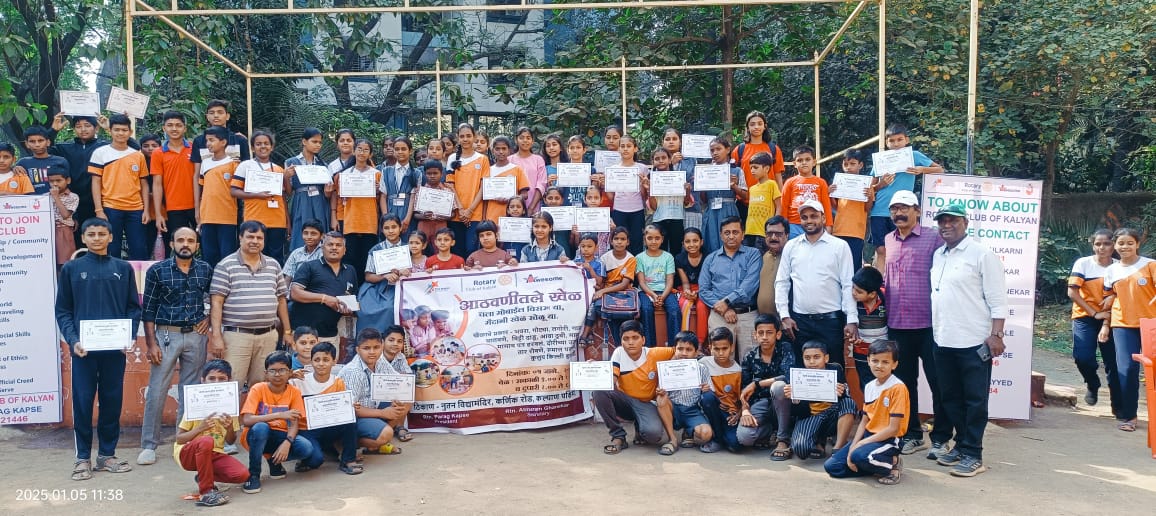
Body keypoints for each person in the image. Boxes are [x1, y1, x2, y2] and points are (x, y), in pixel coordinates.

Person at [55, 218, 141, 481]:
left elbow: (133, 308)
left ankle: (106, 455)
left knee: (112, 401)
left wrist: (128, 335)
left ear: (111, 237)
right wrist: (73, 340)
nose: (96, 238)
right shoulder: (72, 269)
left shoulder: (123, 268)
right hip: (83, 351)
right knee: (82, 402)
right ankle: (83, 458)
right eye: (91, 234)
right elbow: (63, 310)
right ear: (83, 238)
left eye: (101, 234)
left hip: (114, 351)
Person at [929, 201, 1007, 477]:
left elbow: (998, 299)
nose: (946, 225)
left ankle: (974, 454)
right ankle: (961, 445)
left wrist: (996, 335)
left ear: (965, 223)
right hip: (942, 339)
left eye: (953, 220)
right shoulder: (939, 254)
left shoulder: (982, 254)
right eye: (942, 221)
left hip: (974, 341)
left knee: (975, 401)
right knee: (950, 398)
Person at [138, 226, 214, 466]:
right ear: (171, 244)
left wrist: (208, 318)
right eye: (180, 240)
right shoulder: (158, 270)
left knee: (190, 391)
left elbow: (215, 298)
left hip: (196, 336)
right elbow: (148, 309)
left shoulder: (205, 269)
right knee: (157, 389)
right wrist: (151, 344)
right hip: (165, 335)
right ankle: (149, 445)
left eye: (190, 241)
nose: (185, 244)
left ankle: (184, 442)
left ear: (197, 246)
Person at [882, 189, 950, 455]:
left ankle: (941, 438)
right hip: (897, 324)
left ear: (917, 211)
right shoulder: (889, 239)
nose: (898, 213)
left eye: (904, 208)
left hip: (930, 325)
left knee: (939, 382)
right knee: (905, 384)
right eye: (894, 209)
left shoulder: (933, 238)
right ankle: (912, 434)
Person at [209, 220, 293, 389]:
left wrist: (287, 331)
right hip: (237, 337)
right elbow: (216, 302)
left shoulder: (273, 265)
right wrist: (216, 336)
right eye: (250, 237)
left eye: (259, 238)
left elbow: (281, 299)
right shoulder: (225, 266)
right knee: (232, 385)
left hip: (268, 336)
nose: (255, 241)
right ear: (240, 238)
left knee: (262, 386)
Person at [775, 199, 858, 367]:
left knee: (834, 369)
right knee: (802, 371)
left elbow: (848, 284)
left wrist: (851, 319)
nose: (809, 221)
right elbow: (782, 282)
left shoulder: (839, 246)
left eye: (814, 216)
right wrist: (784, 315)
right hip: (799, 323)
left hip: (831, 322)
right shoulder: (791, 246)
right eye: (804, 217)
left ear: (823, 218)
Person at [823, 340, 907, 485]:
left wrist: (861, 444)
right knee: (832, 467)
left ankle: (893, 463)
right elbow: (864, 421)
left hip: (889, 439)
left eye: (885, 362)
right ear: (868, 361)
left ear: (894, 364)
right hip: (869, 435)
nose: (879, 365)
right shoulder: (869, 387)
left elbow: (893, 429)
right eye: (875, 361)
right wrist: (853, 447)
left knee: (859, 456)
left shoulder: (897, 388)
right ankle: (870, 463)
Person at [1100, 227, 1155, 433]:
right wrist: (1105, 326)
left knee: (1153, 371)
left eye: (1130, 243)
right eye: (1121, 243)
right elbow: (1108, 299)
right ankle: (1129, 416)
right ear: (1115, 245)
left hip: (1151, 324)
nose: (1125, 247)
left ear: (1137, 244)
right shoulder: (1111, 271)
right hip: (1122, 324)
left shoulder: (1150, 265)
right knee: (1127, 370)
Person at [593, 321, 677, 454]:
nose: (630, 342)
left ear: (643, 340)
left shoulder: (654, 353)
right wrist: (594, 370)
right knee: (599, 391)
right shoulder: (619, 353)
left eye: (635, 338)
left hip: (646, 403)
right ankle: (618, 436)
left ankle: (640, 428)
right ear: (621, 341)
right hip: (625, 402)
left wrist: (666, 374)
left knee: (653, 435)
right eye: (626, 339)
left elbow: (678, 351)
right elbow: (611, 380)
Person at [173, 360, 249, 507]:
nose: (216, 383)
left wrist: (229, 428)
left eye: (222, 379)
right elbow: (180, 439)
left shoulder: (230, 408)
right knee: (206, 440)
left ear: (229, 381)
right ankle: (206, 492)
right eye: (211, 378)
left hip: (214, 453)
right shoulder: (195, 405)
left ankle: (203, 477)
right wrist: (200, 429)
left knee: (242, 475)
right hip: (187, 453)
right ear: (203, 380)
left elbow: (231, 441)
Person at [869, 123, 944, 269]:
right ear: (886, 142)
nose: (896, 144)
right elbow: (869, 188)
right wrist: (881, 184)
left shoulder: (914, 156)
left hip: (903, 210)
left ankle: (900, 277)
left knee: (902, 247)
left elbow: (939, 170)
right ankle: (880, 281)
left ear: (907, 140)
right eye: (891, 141)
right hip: (880, 210)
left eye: (899, 139)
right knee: (881, 250)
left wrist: (921, 169)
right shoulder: (881, 159)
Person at [239, 350, 313, 494]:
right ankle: (253, 475)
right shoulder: (258, 389)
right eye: (272, 371)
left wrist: (287, 442)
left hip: (280, 435)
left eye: (282, 370)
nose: (277, 374)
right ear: (266, 373)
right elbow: (247, 420)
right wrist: (279, 415)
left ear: (290, 372)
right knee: (261, 427)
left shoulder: (294, 392)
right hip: (255, 436)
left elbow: (294, 424)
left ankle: (274, 462)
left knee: (306, 448)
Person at [289, 342, 363, 475]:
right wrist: (289, 375)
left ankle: (348, 460)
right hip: (307, 429)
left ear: (334, 361)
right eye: (317, 360)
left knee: (351, 416)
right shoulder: (299, 381)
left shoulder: (337, 382)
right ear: (311, 361)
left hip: (329, 426)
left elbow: (342, 407)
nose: (321, 364)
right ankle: (307, 457)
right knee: (315, 461)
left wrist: (350, 406)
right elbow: (275, 386)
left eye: (326, 360)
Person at [1067, 229, 1121, 412]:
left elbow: (1120, 297)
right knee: (1082, 358)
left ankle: (1118, 404)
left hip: (1112, 317)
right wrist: (1094, 313)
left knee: (1113, 362)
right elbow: (1072, 292)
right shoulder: (1083, 263)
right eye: (1098, 244)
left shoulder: (1119, 267)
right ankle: (1092, 382)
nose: (1102, 247)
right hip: (1085, 316)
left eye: (1106, 243)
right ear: (1092, 245)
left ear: (1113, 246)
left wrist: (1106, 319)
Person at [337, 327, 414, 454]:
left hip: (374, 407)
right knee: (386, 434)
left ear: (382, 346)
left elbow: (398, 382)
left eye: (376, 347)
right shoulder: (353, 372)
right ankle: (344, 443)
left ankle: (377, 442)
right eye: (366, 348)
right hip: (354, 418)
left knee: (406, 399)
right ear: (358, 350)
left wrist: (397, 400)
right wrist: (383, 413)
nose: (372, 352)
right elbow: (351, 409)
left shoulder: (380, 360)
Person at [89, 113, 151, 260]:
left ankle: (138, 275)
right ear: (110, 131)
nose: (120, 133)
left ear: (130, 132)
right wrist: (99, 210)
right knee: (112, 248)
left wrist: (146, 210)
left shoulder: (138, 155)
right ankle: (113, 274)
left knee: (139, 248)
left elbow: (144, 184)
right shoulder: (100, 153)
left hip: (136, 208)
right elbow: (96, 182)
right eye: (116, 130)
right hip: (110, 207)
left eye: (124, 130)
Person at [699, 216, 762, 358]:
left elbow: (749, 286)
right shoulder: (711, 259)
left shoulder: (753, 254)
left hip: (747, 315)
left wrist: (727, 302)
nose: (731, 236)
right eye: (727, 233)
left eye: (735, 232)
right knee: (721, 359)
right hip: (719, 316)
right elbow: (704, 290)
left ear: (743, 234)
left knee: (751, 359)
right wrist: (725, 309)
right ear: (721, 235)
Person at [737, 313, 796, 460]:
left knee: (778, 387)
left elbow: (789, 377)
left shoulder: (785, 348)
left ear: (778, 334)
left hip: (784, 403)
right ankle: (769, 430)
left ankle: (782, 440)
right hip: (761, 403)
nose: (764, 337)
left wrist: (757, 383)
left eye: (769, 333)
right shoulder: (749, 356)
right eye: (761, 333)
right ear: (755, 335)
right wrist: (745, 410)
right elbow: (744, 388)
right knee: (744, 437)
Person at [785, 341, 857, 461]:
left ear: (826, 358)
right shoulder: (798, 375)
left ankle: (838, 447)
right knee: (801, 449)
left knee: (849, 403)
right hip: (810, 415)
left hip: (832, 413)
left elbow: (846, 396)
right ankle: (818, 440)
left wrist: (842, 391)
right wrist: (795, 400)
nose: (812, 362)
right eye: (807, 358)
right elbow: (796, 413)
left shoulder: (835, 369)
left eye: (816, 357)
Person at [291, 231, 358, 354]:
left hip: (331, 335)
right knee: (302, 367)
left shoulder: (350, 270)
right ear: (322, 248)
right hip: (305, 337)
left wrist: (349, 309)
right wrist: (325, 299)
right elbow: (295, 293)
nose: (334, 248)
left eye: (338, 245)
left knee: (330, 366)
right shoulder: (309, 266)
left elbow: (352, 297)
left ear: (344, 250)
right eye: (330, 244)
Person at [48, 114, 111, 240]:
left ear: (96, 128)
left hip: (99, 201)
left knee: (98, 237)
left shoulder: (105, 147)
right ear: (74, 129)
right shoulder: (64, 148)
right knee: (76, 238)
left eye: (87, 125)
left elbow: (130, 147)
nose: (83, 129)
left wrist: (109, 129)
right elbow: (44, 148)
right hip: (72, 202)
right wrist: (53, 131)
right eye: (78, 126)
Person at [230, 130, 288, 263]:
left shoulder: (278, 169)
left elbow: (284, 196)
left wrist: (287, 221)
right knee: (254, 254)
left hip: (277, 220)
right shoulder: (245, 166)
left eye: (266, 143)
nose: (263, 146)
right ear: (252, 148)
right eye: (258, 144)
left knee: (276, 257)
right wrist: (257, 195)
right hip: (254, 219)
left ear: (272, 147)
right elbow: (234, 191)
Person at [655, 332, 713, 454]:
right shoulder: (666, 368)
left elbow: (709, 392)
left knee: (706, 434)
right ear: (674, 349)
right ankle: (672, 439)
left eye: (689, 349)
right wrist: (660, 391)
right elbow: (661, 390)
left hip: (692, 410)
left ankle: (688, 431)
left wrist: (706, 389)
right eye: (680, 349)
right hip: (673, 409)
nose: (684, 353)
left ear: (696, 352)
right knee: (661, 399)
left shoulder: (701, 368)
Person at [334, 139, 384, 277]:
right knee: (349, 259)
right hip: (351, 222)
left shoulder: (376, 174)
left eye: (366, 150)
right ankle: (351, 286)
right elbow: (340, 201)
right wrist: (339, 219)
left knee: (366, 260)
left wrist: (378, 191)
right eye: (359, 149)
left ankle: (365, 288)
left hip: (369, 222)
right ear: (354, 151)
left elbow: (380, 201)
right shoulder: (344, 175)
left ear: (370, 154)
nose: (362, 152)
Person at [149, 111, 197, 252]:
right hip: (174, 207)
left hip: (197, 207)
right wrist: (158, 214)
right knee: (180, 246)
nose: (174, 128)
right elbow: (157, 184)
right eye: (170, 125)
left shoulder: (194, 149)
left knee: (203, 243)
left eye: (178, 125)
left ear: (185, 128)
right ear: (164, 128)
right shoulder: (158, 153)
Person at [196, 126, 241, 267]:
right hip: (207, 216)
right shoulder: (205, 163)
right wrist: (199, 213)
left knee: (227, 255)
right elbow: (202, 189)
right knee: (209, 255)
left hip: (227, 217)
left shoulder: (234, 164)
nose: (208, 143)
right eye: (207, 140)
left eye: (212, 140)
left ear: (223, 142)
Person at [356, 214, 407, 331]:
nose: (391, 231)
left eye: (394, 227)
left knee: (390, 308)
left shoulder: (408, 248)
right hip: (378, 287)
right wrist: (385, 276)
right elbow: (368, 277)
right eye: (386, 228)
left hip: (401, 287)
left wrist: (408, 272)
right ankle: (371, 339)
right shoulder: (375, 249)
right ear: (382, 230)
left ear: (400, 228)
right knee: (365, 310)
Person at [698, 138, 747, 255]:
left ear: (728, 150)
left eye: (718, 149)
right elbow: (703, 200)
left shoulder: (736, 170)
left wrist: (734, 186)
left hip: (729, 209)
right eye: (712, 150)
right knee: (711, 241)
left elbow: (745, 195)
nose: (715, 153)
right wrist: (701, 184)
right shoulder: (706, 171)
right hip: (711, 210)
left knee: (731, 239)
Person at [446, 123, 490, 254]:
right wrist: (460, 209)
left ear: (474, 137)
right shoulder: (452, 158)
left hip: (475, 213)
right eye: (462, 136)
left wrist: (470, 210)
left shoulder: (483, 159)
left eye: (468, 136)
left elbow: (484, 186)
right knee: (457, 250)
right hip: (456, 214)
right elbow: (450, 185)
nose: (465, 139)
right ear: (457, 138)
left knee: (472, 249)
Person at [699, 328, 744, 453]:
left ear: (732, 348)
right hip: (710, 409)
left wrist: (738, 414)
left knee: (735, 445)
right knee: (707, 397)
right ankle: (717, 439)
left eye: (725, 348)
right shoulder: (703, 363)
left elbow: (743, 399)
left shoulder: (737, 371)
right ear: (710, 348)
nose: (720, 353)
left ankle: (722, 435)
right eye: (716, 349)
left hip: (729, 413)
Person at [285, 128, 330, 251]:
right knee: (301, 229)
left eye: (320, 142)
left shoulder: (323, 164)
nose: (318, 145)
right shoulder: (291, 162)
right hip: (301, 200)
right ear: (304, 142)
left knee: (320, 229)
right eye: (314, 141)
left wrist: (328, 190)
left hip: (319, 201)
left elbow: (327, 191)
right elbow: (288, 192)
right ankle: (300, 257)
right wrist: (286, 177)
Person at [830, 149, 873, 270]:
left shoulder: (866, 184)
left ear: (860, 165)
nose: (848, 167)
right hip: (839, 230)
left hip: (856, 232)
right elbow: (836, 207)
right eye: (845, 164)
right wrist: (830, 194)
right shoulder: (839, 182)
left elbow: (867, 208)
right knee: (838, 266)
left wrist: (870, 196)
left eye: (852, 164)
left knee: (854, 265)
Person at [636, 224, 678, 347]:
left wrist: (662, 297)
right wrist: (654, 296)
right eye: (650, 238)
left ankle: (675, 347)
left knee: (674, 310)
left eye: (657, 238)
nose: (653, 241)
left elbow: (670, 281)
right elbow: (641, 282)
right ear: (644, 239)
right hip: (646, 291)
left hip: (665, 291)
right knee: (646, 309)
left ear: (662, 239)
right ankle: (649, 348)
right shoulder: (639, 258)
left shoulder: (668, 257)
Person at [606, 135, 649, 255]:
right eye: (622, 146)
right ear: (619, 149)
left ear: (635, 148)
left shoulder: (642, 168)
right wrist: (606, 185)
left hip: (637, 211)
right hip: (619, 210)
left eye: (629, 146)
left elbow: (644, 197)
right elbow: (611, 197)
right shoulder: (613, 169)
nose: (625, 149)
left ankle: (635, 266)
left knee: (636, 242)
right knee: (619, 242)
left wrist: (643, 185)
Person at [779, 145, 832, 239]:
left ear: (814, 162)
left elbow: (826, 206)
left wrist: (828, 226)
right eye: (800, 160)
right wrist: (782, 226)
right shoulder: (789, 182)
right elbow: (784, 206)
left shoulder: (821, 182)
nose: (804, 163)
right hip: (793, 225)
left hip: (815, 224)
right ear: (794, 164)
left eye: (807, 159)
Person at [646, 147, 689, 256]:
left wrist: (687, 190)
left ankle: (676, 268)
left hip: (677, 218)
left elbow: (686, 203)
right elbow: (654, 207)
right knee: (660, 250)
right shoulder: (651, 180)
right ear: (653, 162)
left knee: (677, 250)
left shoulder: (679, 178)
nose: (660, 161)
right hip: (659, 219)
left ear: (670, 160)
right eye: (657, 159)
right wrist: (650, 191)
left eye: (664, 158)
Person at [851, 267, 888, 392]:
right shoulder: (853, 304)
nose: (853, 293)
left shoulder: (885, 299)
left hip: (883, 352)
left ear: (872, 294)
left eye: (859, 291)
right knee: (866, 386)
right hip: (861, 354)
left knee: (884, 385)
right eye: (853, 288)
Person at [479, 136, 530, 225]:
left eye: (504, 148)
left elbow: (525, 195)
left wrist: (510, 199)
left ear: (509, 150)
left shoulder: (517, 169)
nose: (501, 152)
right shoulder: (488, 170)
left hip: (513, 217)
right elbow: (484, 198)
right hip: (491, 215)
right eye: (497, 149)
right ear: (492, 150)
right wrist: (483, 218)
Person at [730, 110, 786, 191]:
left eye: (760, 124)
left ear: (764, 126)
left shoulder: (774, 149)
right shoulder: (739, 150)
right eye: (752, 124)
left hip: (768, 196)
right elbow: (733, 175)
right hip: (745, 197)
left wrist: (781, 197)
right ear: (747, 127)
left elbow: (778, 177)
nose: (756, 127)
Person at [414, 159, 458, 248]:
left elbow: (453, 213)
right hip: (424, 223)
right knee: (420, 247)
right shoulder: (420, 191)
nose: (432, 176)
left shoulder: (447, 191)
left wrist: (446, 217)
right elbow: (415, 214)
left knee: (440, 247)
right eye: (429, 173)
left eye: (435, 173)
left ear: (441, 174)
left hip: (441, 224)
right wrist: (423, 216)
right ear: (425, 174)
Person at [743, 151, 782, 250]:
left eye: (755, 167)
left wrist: (774, 225)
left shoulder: (771, 184)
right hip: (749, 231)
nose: (752, 170)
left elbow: (779, 206)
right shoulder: (752, 189)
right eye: (751, 168)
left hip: (763, 232)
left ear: (766, 168)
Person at [380, 136, 420, 231]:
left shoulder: (416, 173)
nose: (400, 152)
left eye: (403, 149)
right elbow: (383, 196)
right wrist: (386, 218)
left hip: (407, 212)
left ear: (410, 151)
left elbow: (413, 197)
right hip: (390, 210)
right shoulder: (386, 171)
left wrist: (407, 219)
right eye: (397, 149)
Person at [15, 125, 68, 194]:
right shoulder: (22, 163)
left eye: (40, 140)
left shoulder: (61, 161)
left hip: (57, 199)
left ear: (48, 142)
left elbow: (67, 183)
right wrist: (12, 168)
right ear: (27, 144)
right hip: (31, 200)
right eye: (32, 141)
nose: (37, 145)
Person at [675, 227, 708, 339]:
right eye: (687, 241)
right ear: (683, 244)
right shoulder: (680, 259)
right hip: (687, 288)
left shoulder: (708, 257)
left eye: (695, 241)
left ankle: (700, 341)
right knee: (684, 304)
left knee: (702, 306)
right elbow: (685, 282)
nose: (692, 244)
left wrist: (698, 293)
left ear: (701, 242)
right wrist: (688, 292)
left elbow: (707, 281)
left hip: (703, 288)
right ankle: (684, 340)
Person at [756, 216, 788, 317]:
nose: (773, 237)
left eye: (778, 234)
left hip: (784, 320)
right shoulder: (765, 256)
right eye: (769, 234)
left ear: (787, 235)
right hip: (763, 320)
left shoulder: (791, 257)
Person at [510, 127, 548, 212]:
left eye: (528, 138)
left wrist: (531, 207)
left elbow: (541, 184)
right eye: (521, 138)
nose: (525, 140)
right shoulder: (509, 160)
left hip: (534, 207)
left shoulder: (538, 160)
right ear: (516, 140)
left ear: (532, 141)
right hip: (514, 209)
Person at [46, 169, 80, 265]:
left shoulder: (73, 197)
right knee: (50, 261)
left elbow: (65, 215)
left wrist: (56, 197)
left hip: (64, 231)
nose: (55, 184)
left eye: (58, 180)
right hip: (48, 231)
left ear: (68, 180)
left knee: (65, 261)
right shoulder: (45, 197)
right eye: (51, 181)